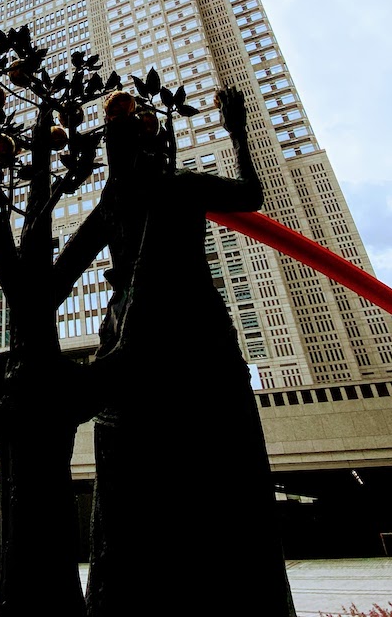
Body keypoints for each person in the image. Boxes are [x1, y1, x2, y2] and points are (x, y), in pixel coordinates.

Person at [53, 87, 295, 617]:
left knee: (206, 459)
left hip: (184, 327)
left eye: (135, 134)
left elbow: (251, 197)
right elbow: (52, 282)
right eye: (123, 133)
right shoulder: (132, 195)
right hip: (158, 328)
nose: (130, 145)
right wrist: (237, 131)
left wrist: (237, 132)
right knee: (148, 473)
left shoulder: (165, 189)